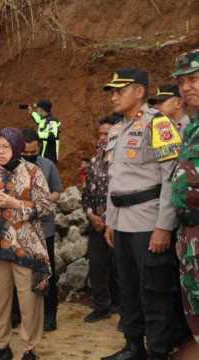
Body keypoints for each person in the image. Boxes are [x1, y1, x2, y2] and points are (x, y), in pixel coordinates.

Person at [102, 69, 186, 360]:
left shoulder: (158, 124)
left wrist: (164, 226)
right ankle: (133, 345)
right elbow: (116, 180)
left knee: (154, 291)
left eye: (118, 91)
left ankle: (159, 351)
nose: (113, 97)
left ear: (139, 92)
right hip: (122, 223)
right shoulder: (116, 129)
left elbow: (171, 178)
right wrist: (111, 222)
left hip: (148, 222)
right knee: (127, 288)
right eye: (111, 92)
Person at [0, 128, 52, 360]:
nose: (0, 152)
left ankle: (30, 348)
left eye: (6, 148)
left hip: (25, 246)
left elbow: (46, 206)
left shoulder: (33, 171)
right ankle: (0, 346)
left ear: (17, 148)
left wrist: (15, 203)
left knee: (29, 301)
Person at [21, 128, 63, 332]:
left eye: (32, 152)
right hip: (19, 229)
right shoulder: (12, 166)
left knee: (47, 273)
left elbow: (57, 191)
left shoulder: (48, 165)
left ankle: (49, 315)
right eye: (25, 153)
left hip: (43, 228)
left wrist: (44, 201)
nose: (29, 156)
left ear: (38, 146)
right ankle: (17, 314)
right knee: (19, 272)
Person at [171, 48, 199, 343]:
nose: (186, 87)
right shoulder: (192, 129)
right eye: (182, 81)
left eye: (193, 78)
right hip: (189, 239)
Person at [82, 115, 120, 324]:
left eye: (108, 134)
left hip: (118, 224)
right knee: (97, 267)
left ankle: (124, 308)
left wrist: (109, 220)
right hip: (96, 224)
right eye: (101, 134)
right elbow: (86, 193)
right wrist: (91, 215)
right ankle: (101, 307)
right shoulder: (95, 161)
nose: (103, 138)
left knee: (122, 270)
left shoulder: (123, 161)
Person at [29, 100, 60, 164]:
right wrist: (32, 113)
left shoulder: (52, 121)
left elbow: (53, 135)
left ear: (41, 109)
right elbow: (38, 121)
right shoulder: (44, 119)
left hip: (49, 156)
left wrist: (37, 135)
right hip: (43, 155)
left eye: (37, 108)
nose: (36, 110)